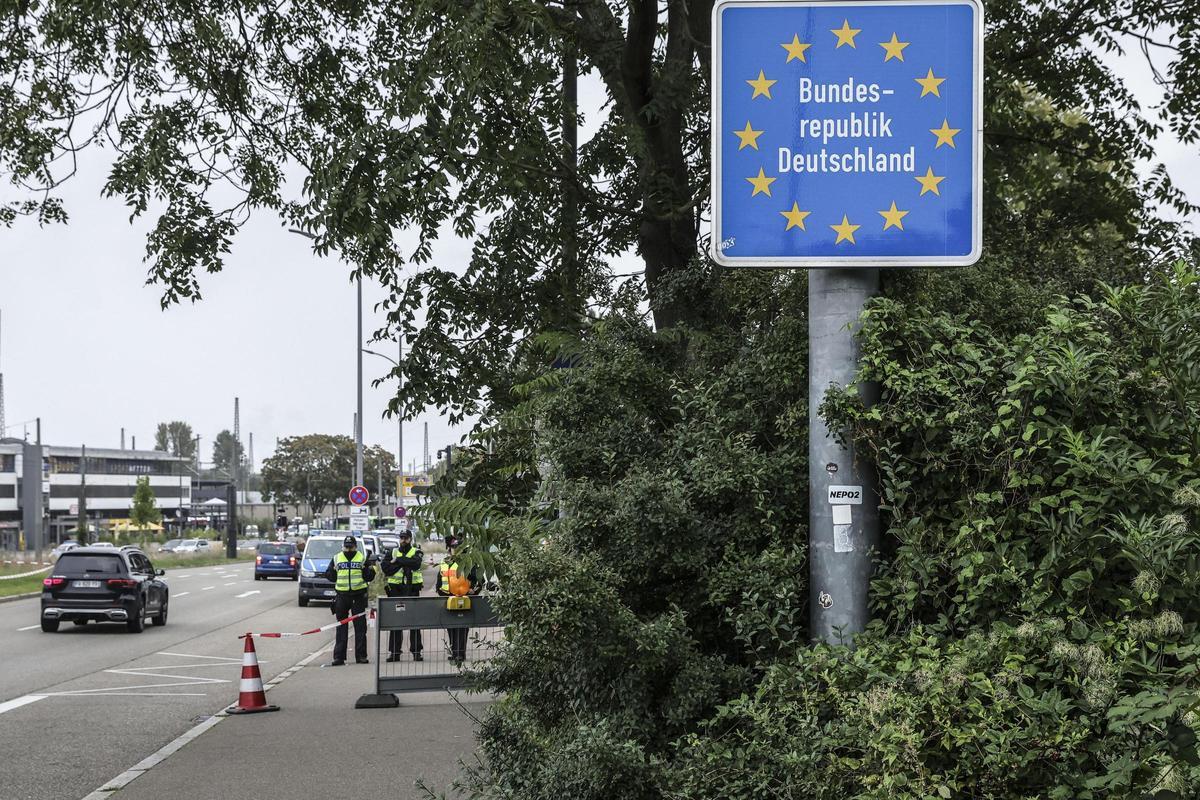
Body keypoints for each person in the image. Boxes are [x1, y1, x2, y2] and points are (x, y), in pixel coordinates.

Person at [322, 535, 376, 666]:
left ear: (355, 547)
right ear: (343, 547)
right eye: (346, 547)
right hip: (342, 596)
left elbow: (369, 577)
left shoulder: (362, 558)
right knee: (341, 627)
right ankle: (339, 657)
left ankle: (361, 656)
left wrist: (367, 569)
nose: (348, 549)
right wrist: (333, 572)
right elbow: (329, 575)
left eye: (351, 547)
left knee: (360, 628)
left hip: (358, 596)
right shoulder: (337, 558)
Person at [435, 535, 479, 665]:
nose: (456, 550)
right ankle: (455, 652)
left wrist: (473, 591)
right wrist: (440, 591)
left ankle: (460, 653)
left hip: (464, 599)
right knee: (451, 626)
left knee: (462, 627)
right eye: (454, 547)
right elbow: (440, 580)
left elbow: (478, 581)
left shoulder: (469, 563)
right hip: (449, 598)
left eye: (458, 548)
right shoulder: (445, 562)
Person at [381, 529, 424, 662]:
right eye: (401, 538)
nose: (403, 540)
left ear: (410, 539)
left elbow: (416, 564)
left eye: (406, 538)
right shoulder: (392, 552)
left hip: (412, 591)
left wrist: (398, 560)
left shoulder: (416, 551)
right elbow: (386, 569)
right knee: (396, 622)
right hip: (395, 592)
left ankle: (416, 652)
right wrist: (405, 562)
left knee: (414, 622)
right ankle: (394, 652)